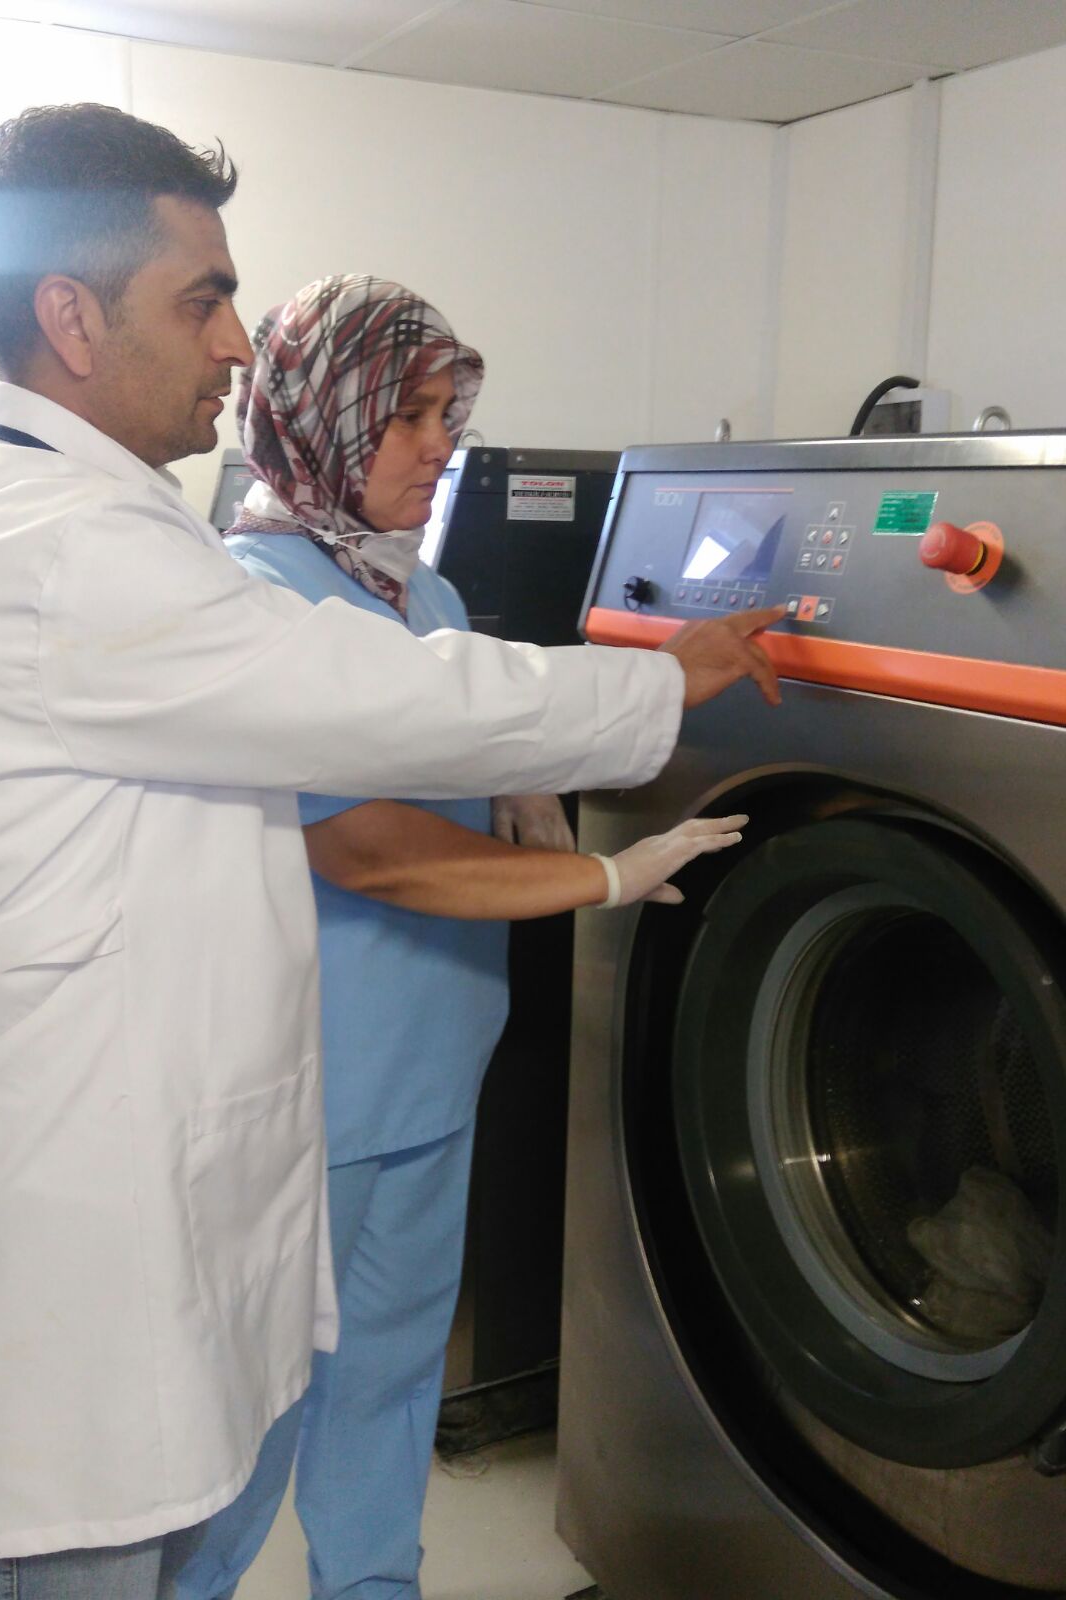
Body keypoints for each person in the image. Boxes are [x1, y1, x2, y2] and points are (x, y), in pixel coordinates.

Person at [0, 103, 783, 1600]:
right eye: (203, 300)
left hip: (151, 1192)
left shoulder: (102, 530)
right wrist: (656, 694)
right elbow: (380, 712)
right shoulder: (70, 551)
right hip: (67, 1259)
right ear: (72, 319)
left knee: (304, 1414)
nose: (236, 344)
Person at [220, 273, 750, 1600]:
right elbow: (370, 849)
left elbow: (473, 725)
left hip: (435, 1064)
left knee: (393, 1380)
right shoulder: (257, 596)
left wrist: (523, 781)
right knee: (252, 1412)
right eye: (406, 418)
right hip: (314, 1090)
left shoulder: (433, 596)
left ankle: (372, 1587)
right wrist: (602, 876)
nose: (439, 446)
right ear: (323, 422)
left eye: (448, 416)